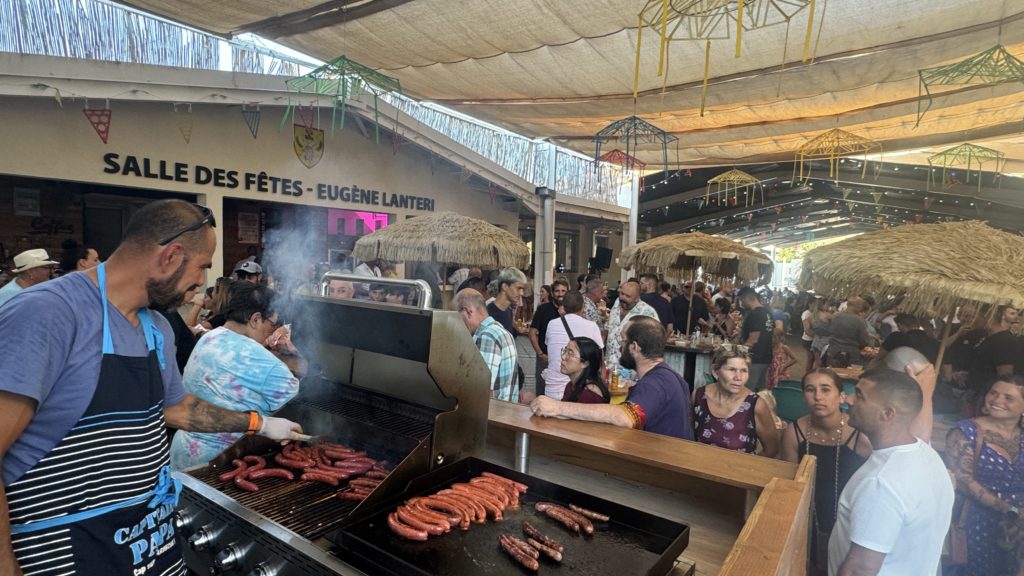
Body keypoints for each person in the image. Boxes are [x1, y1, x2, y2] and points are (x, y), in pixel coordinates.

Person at [0, 199, 303, 576]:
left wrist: (259, 423)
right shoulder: (47, 313)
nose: (202, 282)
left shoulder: (155, 327)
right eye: (202, 266)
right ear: (170, 257)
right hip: (70, 549)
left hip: (149, 539)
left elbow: (177, 409)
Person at [828, 367, 954, 576]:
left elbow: (860, 570)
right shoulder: (928, 455)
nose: (848, 399)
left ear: (887, 414)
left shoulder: (882, 483)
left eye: (859, 395)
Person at [170, 283, 302, 470]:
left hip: (183, 451)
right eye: (273, 324)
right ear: (255, 319)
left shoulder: (209, 337)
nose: (272, 332)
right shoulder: (265, 362)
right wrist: (294, 354)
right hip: (224, 462)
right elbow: (299, 406)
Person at [531, 316, 693, 440]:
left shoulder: (655, 383)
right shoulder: (672, 377)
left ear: (634, 347)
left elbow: (624, 417)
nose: (619, 348)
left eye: (622, 341)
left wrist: (558, 407)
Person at [780, 369, 872, 574]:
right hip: (809, 519)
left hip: (850, 522)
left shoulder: (861, 435)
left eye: (825, 389)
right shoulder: (795, 432)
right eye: (810, 389)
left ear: (841, 396)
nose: (818, 397)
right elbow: (790, 487)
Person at [943, 376, 1024, 576]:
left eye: (1008, 397)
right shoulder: (966, 431)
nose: (997, 400)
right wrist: (1009, 509)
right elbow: (963, 480)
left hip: (1018, 528)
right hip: (976, 521)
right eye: (993, 393)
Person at [693, 347, 779, 456]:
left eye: (744, 371)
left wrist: (747, 465)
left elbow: (771, 450)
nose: (738, 377)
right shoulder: (699, 396)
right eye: (731, 370)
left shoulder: (756, 405)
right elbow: (690, 438)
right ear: (715, 372)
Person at [454, 288, 519, 402]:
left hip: (493, 411)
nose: (456, 323)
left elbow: (480, 390)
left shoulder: (487, 337)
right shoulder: (497, 331)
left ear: (467, 311)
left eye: (456, 317)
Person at [540, 290, 603, 401]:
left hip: (552, 387)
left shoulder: (552, 324)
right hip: (578, 389)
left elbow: (549, 347)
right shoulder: (591, 326)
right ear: (583, 306)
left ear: (563, 306)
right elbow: (600, 358)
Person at [967, 306, 1018, 414]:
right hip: (976, 392)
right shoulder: (989, 337)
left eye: (978, 316)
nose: (975, 319)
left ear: (988, 317)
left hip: (985, 397)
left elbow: (1005, 375)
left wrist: (994, 400)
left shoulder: (1004, 341)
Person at [605, 280, 659, 377]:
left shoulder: (647, 312)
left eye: (627, 296)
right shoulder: (617, 304)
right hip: (610, 366)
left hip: (630, 371)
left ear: (637, 299)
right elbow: (608, 328)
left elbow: (654, 343)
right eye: (621, 293)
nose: (622, 298)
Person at [530, 278, 568, 396]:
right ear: (552, 293)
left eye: (563, 291)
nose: (560, 294)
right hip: (545, 358)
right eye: (557, 291)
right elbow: (532, 332)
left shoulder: (571, 311)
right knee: (542, 392)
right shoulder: (543, 309)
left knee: (564, 394)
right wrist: (540, 354)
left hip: (565, 360)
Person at [737, 286, 774, 390]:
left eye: (741, 300)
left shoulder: (755, 314)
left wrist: (738, 352)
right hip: (766, 357)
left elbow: (753, 339)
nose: (741, 303)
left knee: (746, 390)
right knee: (759, 390)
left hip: (754, 358)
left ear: (746, 298)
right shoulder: (768, 312)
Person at [559, 337, 611, 404]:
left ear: (585, 363)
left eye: (570, 354)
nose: (563, 357)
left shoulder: (589, 395)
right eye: (565, 351)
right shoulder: (571, 386)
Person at [826, 297, 871, 367]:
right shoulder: (859, 321)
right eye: (861, 305)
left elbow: (829, 332)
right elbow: (864, 341)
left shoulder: (835, 316)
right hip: (851, 355)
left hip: (834, 352)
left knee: (833, 371)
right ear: (857, 306)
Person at [488, 267, 527, 335]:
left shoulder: (508, 310)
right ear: (504, 287)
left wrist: (516, 329)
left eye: (523, 289)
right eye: (518, 288)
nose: (522, 293)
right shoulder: (489, 314)